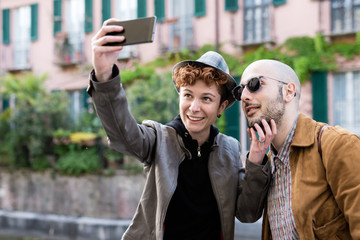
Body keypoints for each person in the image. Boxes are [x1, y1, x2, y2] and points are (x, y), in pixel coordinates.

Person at [87, 18, 275, 240]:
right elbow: (121, 134)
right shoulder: (158, 138)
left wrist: (255, 158)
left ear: (221, 106)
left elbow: (248, 213)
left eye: (206, 98)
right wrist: (104, 75)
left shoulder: (230, 149)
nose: (194, 108)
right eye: (187, 95)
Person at [232, 59, 360, 239]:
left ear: (288, 92)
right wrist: (255, 160)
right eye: (240, 90)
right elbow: (247, 214)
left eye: (254, 84)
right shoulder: (266, 161)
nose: (244, 96)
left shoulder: (337, 144)